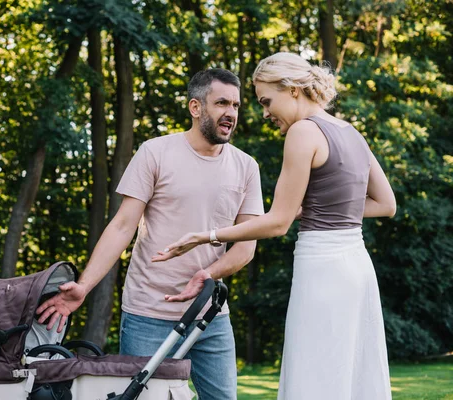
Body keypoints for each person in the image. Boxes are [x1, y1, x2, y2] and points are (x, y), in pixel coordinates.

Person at [153, 52, 396, 400]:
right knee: (350, 375)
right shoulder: (350, 132)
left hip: (323, 270)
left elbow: (277, 222)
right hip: (357, 267)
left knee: (313, 373)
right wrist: (321, 208)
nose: (265, 112)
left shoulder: (303, 132)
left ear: (293, 89)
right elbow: (386, 205)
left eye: (267, 101)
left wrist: (206, 236)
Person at [36, 68, 265, 399]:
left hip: (210, 317)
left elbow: (245, 249)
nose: (231, 113)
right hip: (148, 314)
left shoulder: (246, 167)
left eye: (236, 105)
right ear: (196, 107)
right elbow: (122, 225)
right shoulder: (155, 152)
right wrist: (84, 286)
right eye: (222, 103)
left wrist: (207, 274)